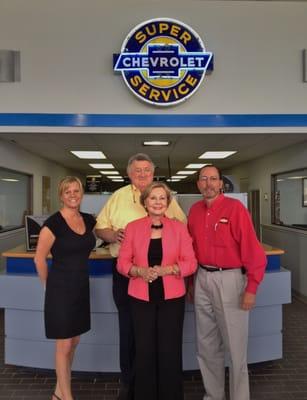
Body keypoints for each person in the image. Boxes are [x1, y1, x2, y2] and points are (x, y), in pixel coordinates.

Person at [95, 153, 186, 400]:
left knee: (162, 336)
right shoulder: (118, 197)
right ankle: (130, 384)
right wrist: (113, 236)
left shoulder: (168, 199)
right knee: (130, 331)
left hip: (167, 279)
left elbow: (182, 230)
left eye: (147, 170)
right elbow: (99, 227)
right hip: (130, 277)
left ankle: (159, 385)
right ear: (129, 173)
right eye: (138, 170)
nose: (143, 174)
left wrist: (168, 266)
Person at [187, 165, 267, 400]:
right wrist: (191, 282)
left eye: (213, 179)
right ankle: (213, 395)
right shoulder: (194, 211)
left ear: (221, 184)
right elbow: (192, 249)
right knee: (206, 346)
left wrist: (251, 288)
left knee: (235, 348)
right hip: (202, 278)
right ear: (198, 184)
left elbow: (253, 252)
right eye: (204, 179)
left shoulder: (236, 209)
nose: (209, 184)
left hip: (231, 280)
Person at [117, 181, 197, 400]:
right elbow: (122, 264)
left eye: (162, 198)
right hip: (140, 298)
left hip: (172, 299)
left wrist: (168, 269)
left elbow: (191, 263)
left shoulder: (179, 228)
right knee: (144, 350)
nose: (158, 202)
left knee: (169, 351)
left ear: (168, 202)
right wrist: (138, 271)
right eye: (153, 198)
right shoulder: (133, 227)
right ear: (145, 202)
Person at [34, 177, 96, 400]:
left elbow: (101, 235)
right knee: (65, 343)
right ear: (61, 195)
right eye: (67, 191)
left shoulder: (88, 220)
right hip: (59, 289)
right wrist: (47, 287)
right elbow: (39, 259)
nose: (72, 194)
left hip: (80, 287)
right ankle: (67, 397)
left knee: (75, 341)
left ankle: (59, 392)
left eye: (76, 190)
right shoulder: (53, 223)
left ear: (81, 194)